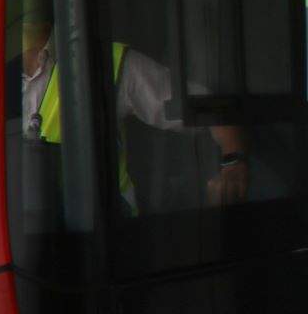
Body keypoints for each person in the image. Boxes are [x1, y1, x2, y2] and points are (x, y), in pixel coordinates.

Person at [20, 20, 249, 207]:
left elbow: (209, 106)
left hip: (104, 232)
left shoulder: (101, 62)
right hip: (26, 240)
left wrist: (233, 163)